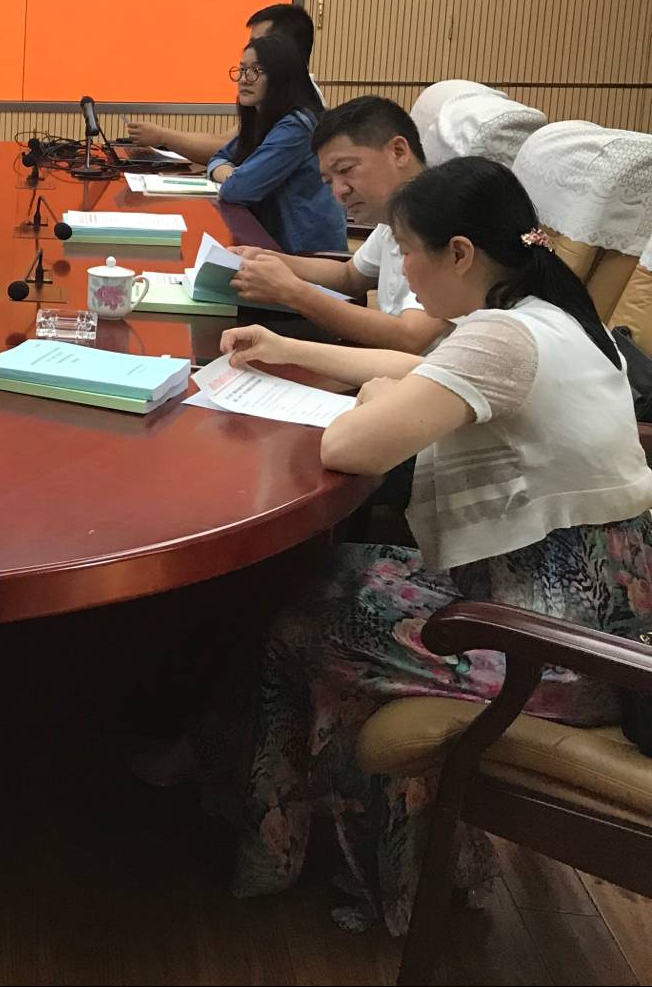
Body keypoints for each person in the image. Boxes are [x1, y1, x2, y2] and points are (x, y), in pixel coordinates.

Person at [209, 157, 652, 935]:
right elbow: (422, 368)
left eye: (407, 251)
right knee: (329, 576)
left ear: (460, 252)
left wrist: (377, 399)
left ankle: (284, 848)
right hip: (592, 608)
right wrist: (290, 349)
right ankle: (372, 862)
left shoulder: (503, 338)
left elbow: (350, 444)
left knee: (297, 612)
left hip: (554, 647)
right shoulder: (552, 314)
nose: (402, 271)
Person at [231, 94, 446, 352]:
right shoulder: (395, 215)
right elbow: (349, 276)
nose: (339, 191)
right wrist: (266, 258)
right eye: (329, 182)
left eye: (345, 170)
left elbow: (411, 337)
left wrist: (293, 292)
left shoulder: (446, 220)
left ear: (398, 152)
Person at [126, 3, 322, 164]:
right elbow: (228, 144)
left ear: (285, 49)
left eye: (258, 43)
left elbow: (236, 173)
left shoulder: (299, 114)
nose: (251, 49)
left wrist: (163, 137)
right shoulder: (268, 95)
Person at [205, 33, 347, 254]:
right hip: (274, 242)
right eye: (242, 70)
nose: (244, 79)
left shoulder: (296, 127)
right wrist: (236, 174)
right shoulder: (264, 119)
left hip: (306, 255)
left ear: (281, 77)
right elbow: (218, 159)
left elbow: (236, 190)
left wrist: (236, 177)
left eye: (256, 71)